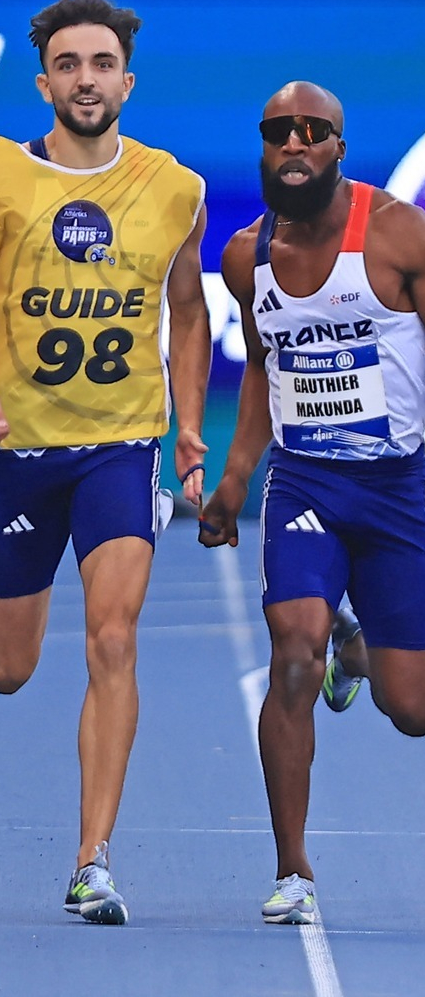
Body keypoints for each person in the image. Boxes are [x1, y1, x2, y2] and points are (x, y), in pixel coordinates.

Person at [0, 0, 210, 925]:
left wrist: (189, 429)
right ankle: (15, 562)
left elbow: (190, 313)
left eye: (102, 65)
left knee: (114, 638)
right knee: (7, 671)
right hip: (23, 454)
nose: (86, 80)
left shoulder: (173, 188)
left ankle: (93, 860)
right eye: (68, 65)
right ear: (44, 82)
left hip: (122, 448)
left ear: (128, 81)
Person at [198, 81, 425, 925]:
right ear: (264, 148)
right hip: (305, 485)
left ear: (338, 147)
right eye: (278, 132)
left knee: (412, 710)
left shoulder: (398, 234)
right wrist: (234, 479)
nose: (294, 144)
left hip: (401, 488)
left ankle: (355, 650)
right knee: (293, 651)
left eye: (312, 131)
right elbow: (263, 367)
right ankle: (293, 869)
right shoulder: (244, 258)